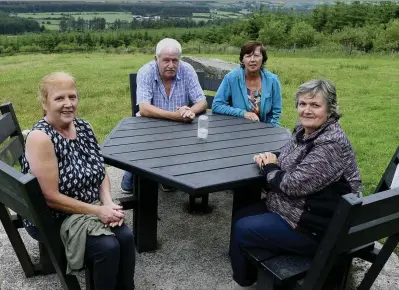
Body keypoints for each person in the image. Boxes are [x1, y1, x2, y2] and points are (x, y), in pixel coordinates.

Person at [230, 79, 361, 289]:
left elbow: (292, 185)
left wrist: (270, 168)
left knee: (244, 228)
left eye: (315, 105)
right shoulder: (304, 130)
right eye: (302, 104)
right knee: (241, 214)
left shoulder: (331, 143)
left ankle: (252, 279)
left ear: (330, 110)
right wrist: (272, 160)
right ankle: (248, 277)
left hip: (319, 228)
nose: (307, 110)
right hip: (298, 209)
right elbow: (287, 160)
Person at [22, 72, 135, 290]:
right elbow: (50, 198)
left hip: (88, 208)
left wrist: (108, 203)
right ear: (45, 103)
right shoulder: (40, 138)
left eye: (72, 97)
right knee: (107, 247)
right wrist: (97, 212)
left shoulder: (84, 127)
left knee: (126, 237)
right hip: (53, 217)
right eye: (59, 98)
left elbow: (99, 172)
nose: (68, 104)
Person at [121, 38, 208, 193]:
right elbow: (144, 108)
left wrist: (190, 111)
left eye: (175, 60)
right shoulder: (146, 71)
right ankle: (135, 171)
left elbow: (202, 102)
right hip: (150, 127)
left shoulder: (187, 70)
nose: (171, 65)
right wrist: (176, 116)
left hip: (179, 129)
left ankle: (169, 175)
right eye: (166, 60)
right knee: (128, 187)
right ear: (156, 59)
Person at [212, 42, 282, 126]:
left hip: (264, 129)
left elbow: (275, 113)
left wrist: (269, 131)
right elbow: (217, 105)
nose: (252, 59)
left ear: (263, 58)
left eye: (256, 55)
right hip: (236, 128)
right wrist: (243, 113)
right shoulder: (231, 78)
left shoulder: (273, 80)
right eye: (248, 56)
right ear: (242, 60)